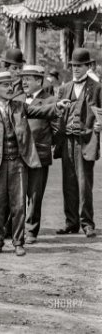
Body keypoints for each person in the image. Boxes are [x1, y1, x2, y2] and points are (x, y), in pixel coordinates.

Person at [0, 71, 68, 256]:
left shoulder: (20, 107)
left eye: (10, 85)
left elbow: (40, 111)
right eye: (5, 85)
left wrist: (57, 107)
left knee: (18, 205)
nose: (10, 88)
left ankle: (18, 242)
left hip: (18, 163)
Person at [54, 48, 102, 238]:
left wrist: (99, 126)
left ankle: (87, 223)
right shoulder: (64, 88)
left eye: (80, 66)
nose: (76, 69)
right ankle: (71, 222)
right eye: (73, 66)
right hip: (67, 141)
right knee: (69, 184)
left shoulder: (97, 88)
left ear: (88, 66)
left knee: (84, 185)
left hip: (86, 141)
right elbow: (57, 116)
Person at [20, 65, 57, 244]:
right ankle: (14, 228)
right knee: (16, 192)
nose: (24, 82)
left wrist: (46, 144)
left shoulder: (51, 101)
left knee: (35, 195)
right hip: (18, 155)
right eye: (23, 78)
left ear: (39, 81)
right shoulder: (17, 99)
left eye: (28, 78)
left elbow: (57, 130)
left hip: (39, 154)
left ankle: (31, 231)